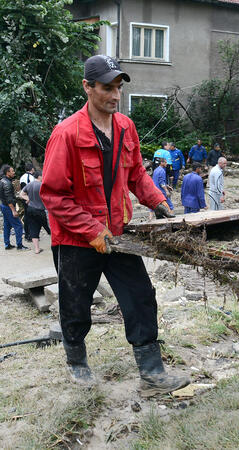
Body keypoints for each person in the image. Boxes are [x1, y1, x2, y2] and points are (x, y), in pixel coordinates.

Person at [40, 54, 188, 396]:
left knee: (140, 297)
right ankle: (77, 363)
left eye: (118, 88)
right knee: (75, 304)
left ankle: (152, 374)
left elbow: (136, 174)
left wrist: (159, 202)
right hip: (78, 240)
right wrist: (92, 231)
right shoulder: (66, 134)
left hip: (119, 234)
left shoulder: (125, 127)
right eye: (107, 88)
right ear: (88, 87)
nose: (115, 96)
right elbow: (53, 194)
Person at [19, 171, 50, 254]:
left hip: (30, 210)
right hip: (40, 210)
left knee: (33, 228)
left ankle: (37, 249)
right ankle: (56, 245)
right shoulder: (42, 185)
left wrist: (28, 199)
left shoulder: (29, 184)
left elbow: (21, 194)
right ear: (39, 177)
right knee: (48, 228)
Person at [1, 164, 28, 250]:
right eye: (12, 171)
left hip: (3, 205)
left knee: (7, 225)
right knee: (18, 225)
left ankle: (7, 244)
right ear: (7, 172)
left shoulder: (2, 181)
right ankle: (19, 246)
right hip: (8, 207)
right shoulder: (7, 183)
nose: (14, 172)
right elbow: (9, 199)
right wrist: (13, 210)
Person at [19, 162, 36, 242]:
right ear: (32, 169)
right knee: (30, 217)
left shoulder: (22, 177)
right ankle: (30, 235)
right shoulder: (31, 177)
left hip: (23, 198)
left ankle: (27, 234)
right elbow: (31, 189)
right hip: (29, 199)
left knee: (27, 216)